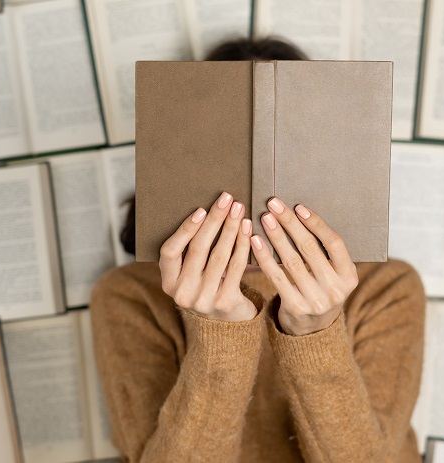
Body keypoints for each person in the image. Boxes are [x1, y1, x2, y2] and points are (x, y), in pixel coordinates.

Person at [90, 37, 425, 463]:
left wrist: (316, 334)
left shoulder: (386, 286)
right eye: (224, 145)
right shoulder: (130, 295)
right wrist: (219, 337)